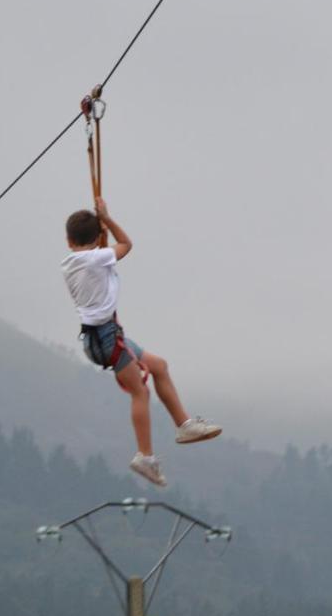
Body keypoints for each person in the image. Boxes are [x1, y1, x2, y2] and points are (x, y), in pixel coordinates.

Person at [61, 198, 221, 486]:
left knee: (158, 366)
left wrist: (100, 235)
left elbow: (103, 256)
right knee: (140, 393)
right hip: (105, 339)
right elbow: (126, 244)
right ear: (96, 238)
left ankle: (184, 425)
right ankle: (144, 456)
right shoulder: (98, 258)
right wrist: (107, 219)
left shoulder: (72, 263)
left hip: (105, 336)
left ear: (69, 240)